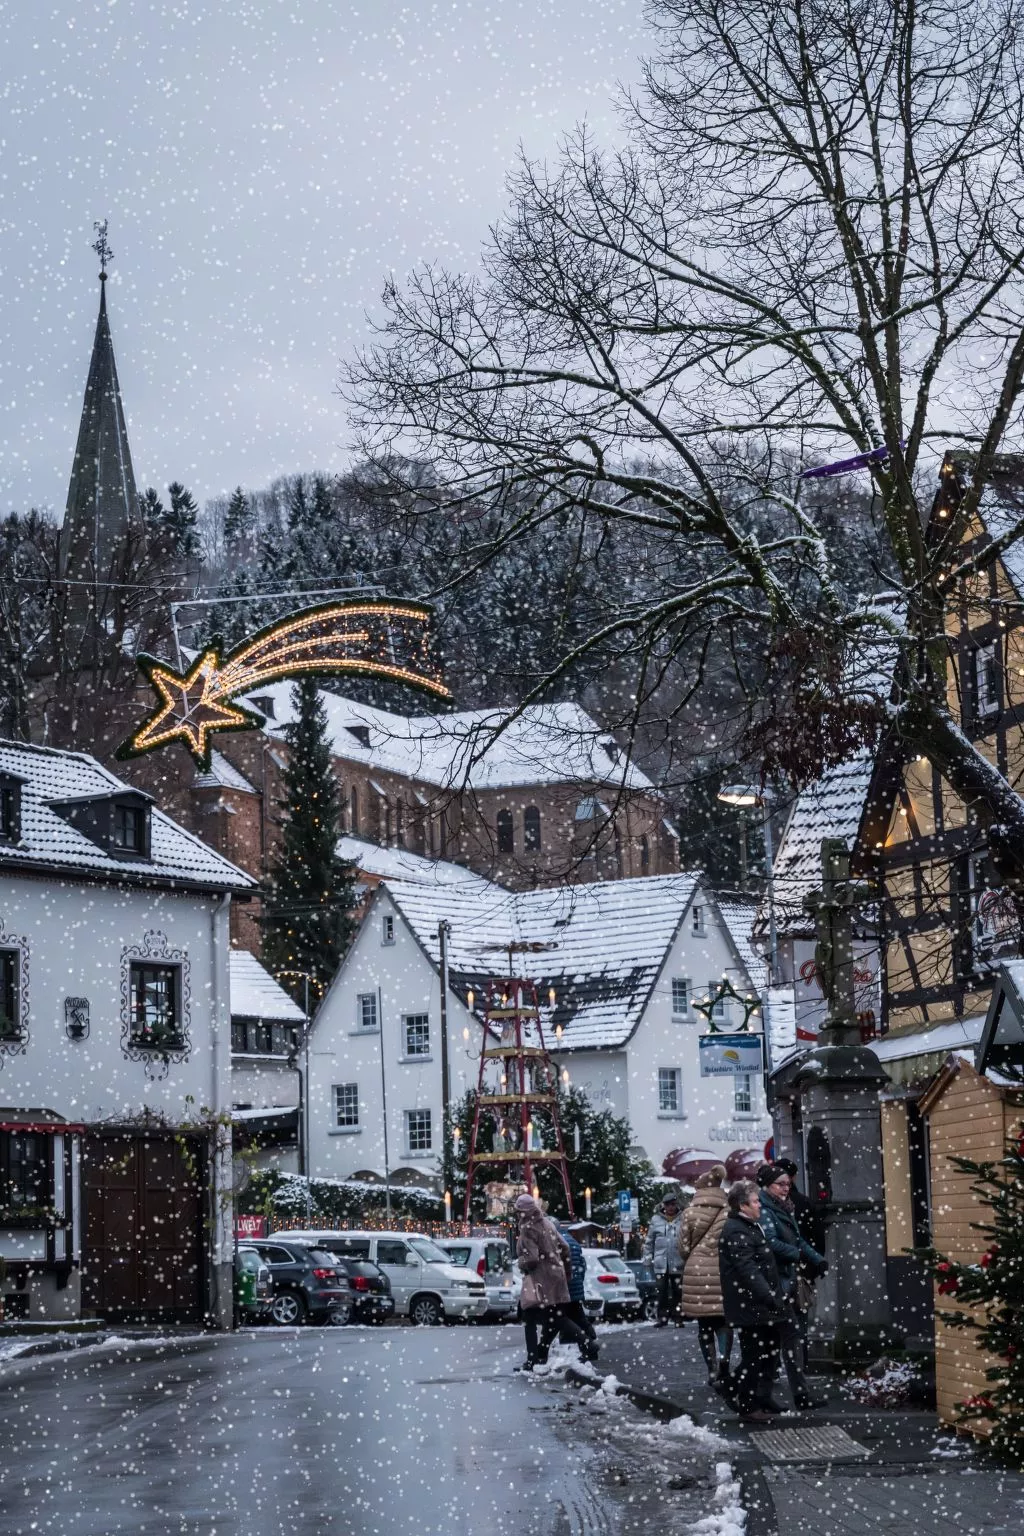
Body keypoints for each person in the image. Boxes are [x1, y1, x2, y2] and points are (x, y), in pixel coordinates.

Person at [756, 1163, 828, 1410]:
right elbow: (770, 1242)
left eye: (788, 1183)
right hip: (777, 1284)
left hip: (785, 1284)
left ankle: (780, 1395)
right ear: (767, 1186)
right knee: (785, 1340)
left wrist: (817, 1258)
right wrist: (798, 1255)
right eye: (781, 1184)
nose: (786, 1188)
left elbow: (798, 1240)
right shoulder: (765, 1210)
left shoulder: (783, 1208)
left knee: (784, 1341)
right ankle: (787, 1395)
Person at [718, 1178, 788, 1422]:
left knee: (768, 1352)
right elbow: (747, 1269)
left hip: (759, 1304)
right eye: (755, 1201)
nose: (760, 1205)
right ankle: (745, 1401)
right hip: (750, 1306)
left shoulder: (750, 1225)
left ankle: (760, 1397)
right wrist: (767, 1296)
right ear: (742, 1205)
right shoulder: (736, 1230)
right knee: (754, 1355)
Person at [514, 1194, 592, 1369]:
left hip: (539, 1281)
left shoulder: (528, 1228)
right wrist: (566, 1270)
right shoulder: (548, 1224)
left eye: (518, 1212)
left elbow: (532, 1258)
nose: (518, 1215)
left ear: (522, 1212)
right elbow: (565, 1247)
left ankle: (532, 1359)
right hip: (556, 1276)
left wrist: (521, 1262)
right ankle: (587, 1342)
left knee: (529, 1319)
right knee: (556, 1318)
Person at [678, 1164, 733, 1393]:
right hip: (723, 1271)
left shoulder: (689, 1213)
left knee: (704, 1325)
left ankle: (711, 1369)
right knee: (723, 1321)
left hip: (697, 1273)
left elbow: (682, 1248)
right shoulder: (729, 1211)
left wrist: (695, 1257)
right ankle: (724, 1363)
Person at [556, 1224, 600, 1364]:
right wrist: (578, 1281)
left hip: (566, 1287)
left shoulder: (558, 1241)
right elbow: (582, 1265)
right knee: (578, 1317)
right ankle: (589, 1344)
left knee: (560, 1319)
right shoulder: (573, 1241)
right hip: (575, 1286)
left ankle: (589, 1344)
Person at [642, 1193, 683, 1325]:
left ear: (676, 1204)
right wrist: (647, 1259)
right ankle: (662, 1318)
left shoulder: (683, 1218)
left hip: (678, 1262)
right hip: (660, 1263)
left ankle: (678, 1318)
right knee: (661, 1292)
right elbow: (649, 1241)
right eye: (667, 1205)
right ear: (663, 1205)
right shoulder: (656, 1219)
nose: (670, 1207)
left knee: (678, 1292)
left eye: (672, 1204)